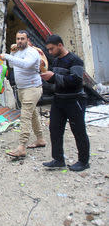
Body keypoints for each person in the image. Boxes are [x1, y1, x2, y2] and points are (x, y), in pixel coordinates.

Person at [40, 35, 90, 172]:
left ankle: (84, 161)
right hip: (58, 100)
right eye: (48, 50)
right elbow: (56, 81)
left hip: (74, 100)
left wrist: (54, 76)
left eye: (51, 49)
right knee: (55, 130)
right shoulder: (56, 62)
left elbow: (76, 80)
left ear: (60, 45)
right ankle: (58, 159)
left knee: (78, 131)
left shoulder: (75, 60)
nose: (49, 52)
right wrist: (46, 77)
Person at [0, 30, 45, 158]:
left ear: (28, 40)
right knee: (33, 114)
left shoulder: (32, 52)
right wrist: (12, 53)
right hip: (22, 89)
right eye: (18, 38)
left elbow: (25, 65)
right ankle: (40, 139)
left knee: (25, 116)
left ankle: (22, 146)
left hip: (32, 88)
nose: (19, 41)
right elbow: (13, 65)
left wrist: (7, 56)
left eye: (22, 39)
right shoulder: (18, 52)